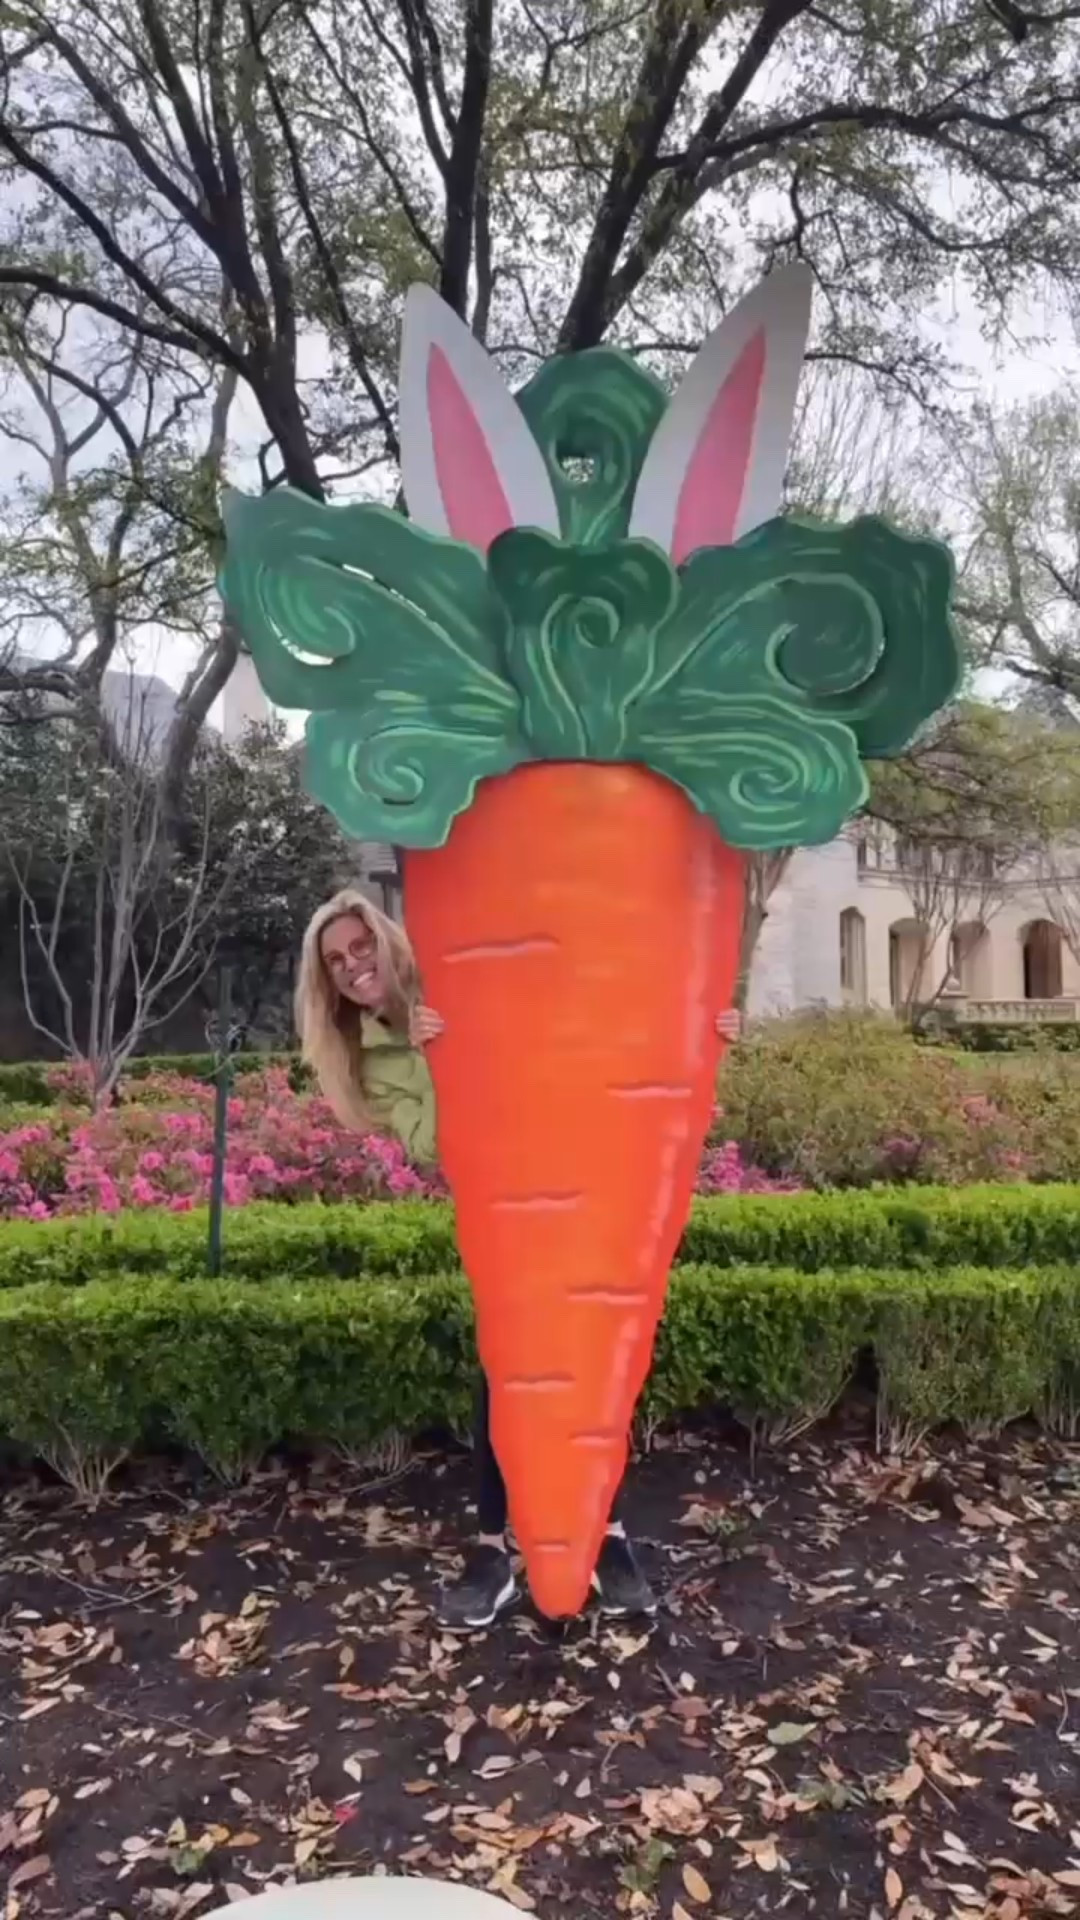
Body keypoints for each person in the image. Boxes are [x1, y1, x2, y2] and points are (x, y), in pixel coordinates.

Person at [296, 886, 742, 1630]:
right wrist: (439, 1055)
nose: (352, 964)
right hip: (504, 1210)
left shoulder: (461, 974)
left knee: (595, 1364)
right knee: (510, 1369)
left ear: (386, 938)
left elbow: (581, 1017)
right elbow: (437, 1145)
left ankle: (606, 1535)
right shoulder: (370, 1060)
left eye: (359, 944)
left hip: (580, 1173)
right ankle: (491, 1548)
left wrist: (703, 1029)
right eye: (337, 961)